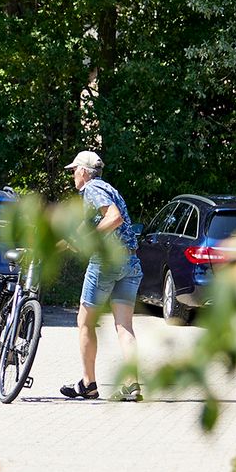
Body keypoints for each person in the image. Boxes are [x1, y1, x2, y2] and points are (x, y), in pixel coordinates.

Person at [61, 150, 142, 400]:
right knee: (124, 326)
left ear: (84, 172)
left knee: (85, 322)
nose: (73, 175)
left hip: (107, 261)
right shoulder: (107, 190)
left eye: (74, 170)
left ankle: (89, 384)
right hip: (130, 261)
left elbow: (114, 219)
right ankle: (132, 385)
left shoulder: (92, 189)